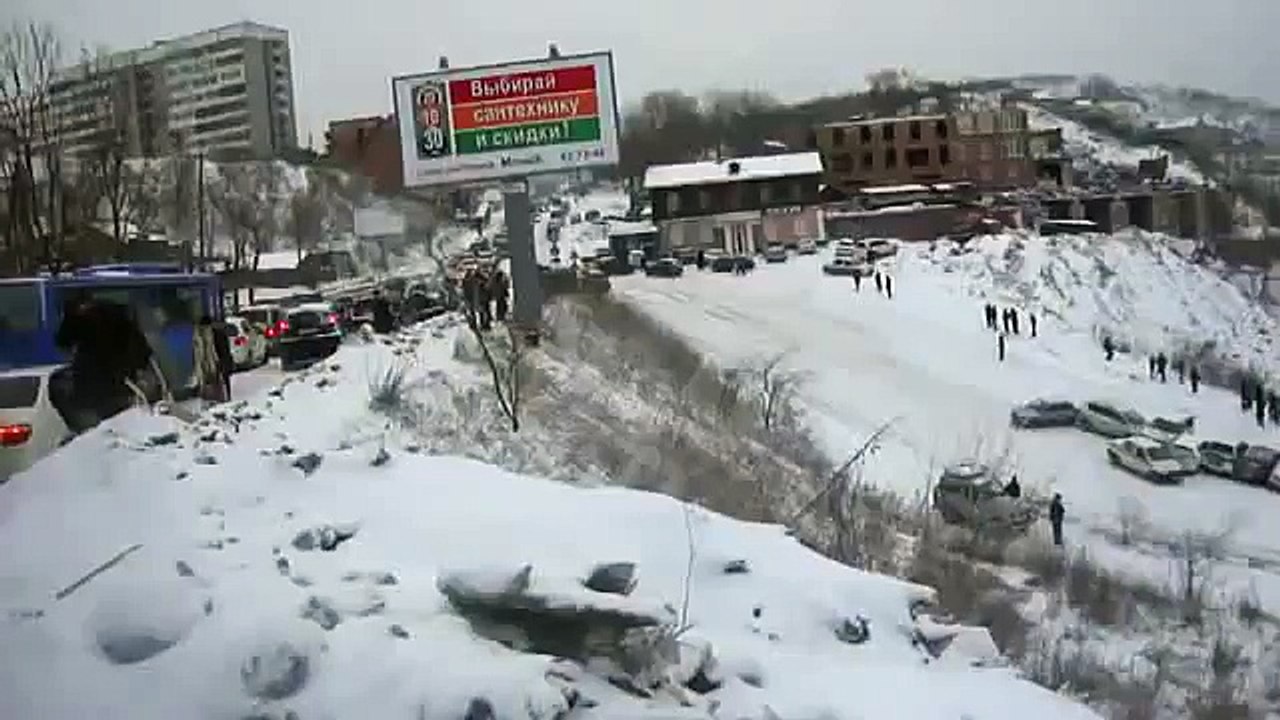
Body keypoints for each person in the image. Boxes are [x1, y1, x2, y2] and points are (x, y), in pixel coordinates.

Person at [192, 316, 226, 403]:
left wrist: (216, 360)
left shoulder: (210, 334)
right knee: (206, 382)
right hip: (203, 363)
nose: (207, 328)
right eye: (206, 327)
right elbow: (199, 352)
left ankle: (217, 399)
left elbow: (212, 349)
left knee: (215, 381)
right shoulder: (197, 336)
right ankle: (208, 400)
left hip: (211, 363)